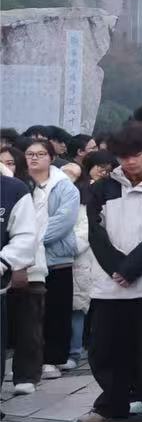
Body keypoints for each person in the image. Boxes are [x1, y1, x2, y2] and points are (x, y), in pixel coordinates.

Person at [76, 124, 142, 422]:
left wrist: (132, 267)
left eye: (137, 155)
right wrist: (118, 268)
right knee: (106, 348)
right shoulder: (103, 188)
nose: (130, 162)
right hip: (111, 285)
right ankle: (112, 404)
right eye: (123, 157)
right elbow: (95, 233)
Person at [16, 138, 76, 388]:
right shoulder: (19, 184)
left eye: (40, 154)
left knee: (56, 310)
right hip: (24, 259)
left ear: (51, 157)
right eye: (30, 154)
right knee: (28, 314)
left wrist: (32, 240)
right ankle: (29, 362)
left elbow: (64, 221)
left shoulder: (64, 186)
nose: (34, 158)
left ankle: (54, 358)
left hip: (56, 256)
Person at [2, 142, 48, 400]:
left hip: (27, 267)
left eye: (11, 162)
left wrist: (14, 264)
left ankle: (26, 375)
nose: (6, 166)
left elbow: (33, 233)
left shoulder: (25, 190)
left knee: (27, 325)